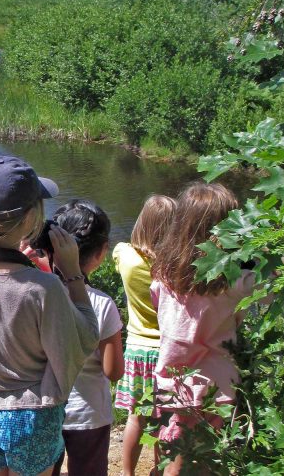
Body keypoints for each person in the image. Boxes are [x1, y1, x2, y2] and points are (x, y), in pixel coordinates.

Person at [0, 156, 99, 476]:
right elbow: (81, 343)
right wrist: (72, 275)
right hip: (31, 415)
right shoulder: (43, 287)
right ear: (31, 219)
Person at [150, 182, 253, 476]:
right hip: (218, 382)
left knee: (174, 456)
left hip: (174, 379)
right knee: (209, 458)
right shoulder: (235, 281)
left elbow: (161, 314)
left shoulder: (163, 275)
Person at [50, 200, 123, 476]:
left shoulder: (39, 295)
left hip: (47, 409)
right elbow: (113, 371)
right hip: (89, 414)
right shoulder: (103, 305)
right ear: (102, 252)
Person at [112, 194, 176, 476]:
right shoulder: (173, 267)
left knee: (136, 418)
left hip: (137, 349)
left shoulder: (125, 256)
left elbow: (120, 251)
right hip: (166, 351)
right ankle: (159, 471)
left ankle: (127, 472)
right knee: (165, 420)